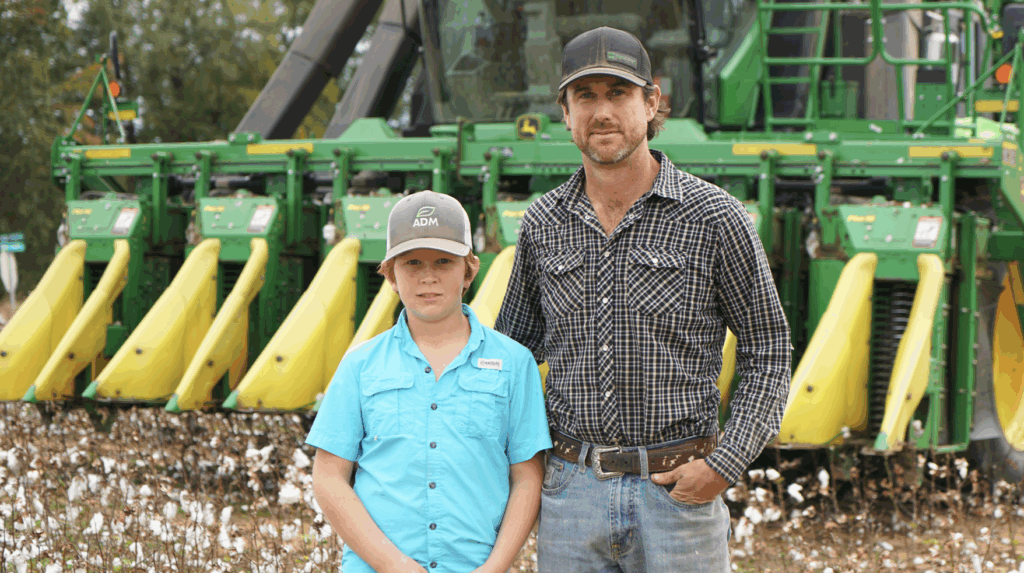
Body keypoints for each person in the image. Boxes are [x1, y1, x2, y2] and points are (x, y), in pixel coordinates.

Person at [494, 27, 792, 572]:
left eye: (619, 93)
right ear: (565, 113)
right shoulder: (543, 223)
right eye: (585, 96)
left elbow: (768, 349)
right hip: (572, 495)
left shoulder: (714, 217)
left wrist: (724, 465)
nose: (602, 112)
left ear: (652, 103)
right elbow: (510, 355)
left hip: (678, 496)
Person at [307, 190, 552, 573]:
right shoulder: (359, 365)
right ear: (390, 274)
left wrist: (494, 568)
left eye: (443, 261)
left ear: (469, 270)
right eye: (412, 263)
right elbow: (328, 477)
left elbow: (527, 475)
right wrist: (393, 565)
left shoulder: (515, 364)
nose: (428, 277)